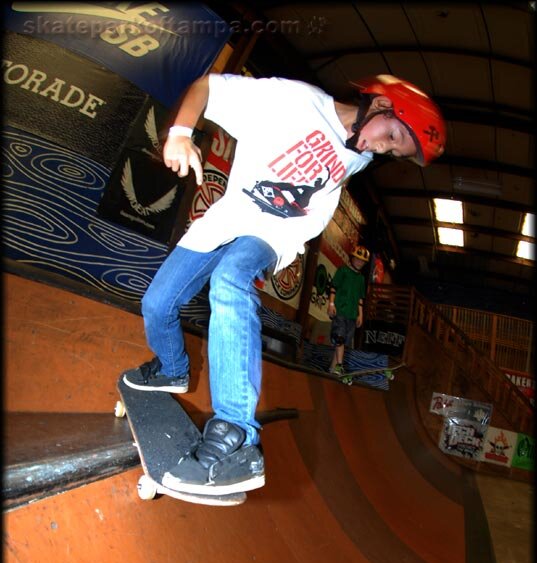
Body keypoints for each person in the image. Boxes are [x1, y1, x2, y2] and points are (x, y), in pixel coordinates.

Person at [123, 73, 446, 496]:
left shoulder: (360, 154)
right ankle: (171, 369)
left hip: (275, 234)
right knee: (157, 304)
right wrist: (181, 134)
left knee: (230, 279)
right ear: (380, 104)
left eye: (392, 151)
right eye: (391, 136)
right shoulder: (293, 101)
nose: (380, 149)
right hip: (228, 218)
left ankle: (235, 434)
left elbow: (358, 156)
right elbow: (205, 87)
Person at [328, 244, 370, 376]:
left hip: (352, 314)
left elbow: (360, 298)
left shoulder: (361, 279)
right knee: (339, 338)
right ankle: (339, 366)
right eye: (358, 259)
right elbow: (333, 287)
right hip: (340, 310)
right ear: (352, 258)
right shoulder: (343, 271)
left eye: (362, 261)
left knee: (343, 343)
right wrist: (331, 304)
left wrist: (360, 315)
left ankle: (332, 369)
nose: (360, 263)